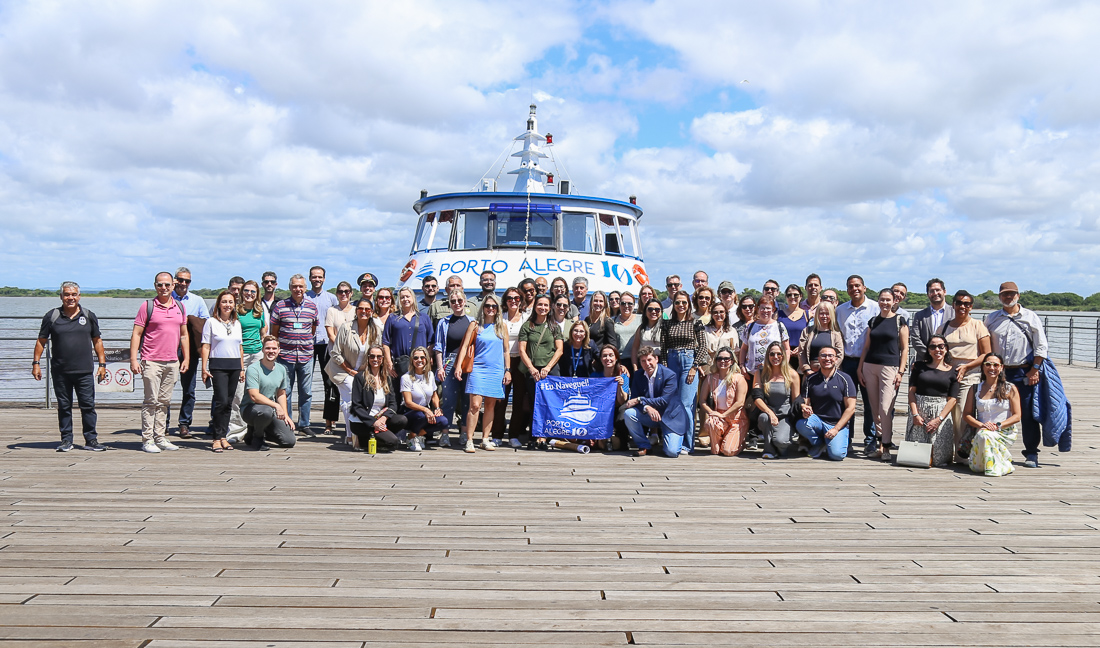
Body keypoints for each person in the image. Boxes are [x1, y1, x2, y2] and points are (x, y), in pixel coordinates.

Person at [32, 281, 108, 452]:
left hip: (84, 371)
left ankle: (91, 440)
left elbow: (97, 341)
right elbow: (41, 341)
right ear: (61, 297)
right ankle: (66, 440)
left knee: (88, 406)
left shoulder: (88, 315)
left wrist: (102, 364)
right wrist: (36, 363)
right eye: (67, 294)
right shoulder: (52, 316)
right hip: (60, 371)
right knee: (64, 406)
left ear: (79, 296)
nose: (70, 298)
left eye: (74, 294)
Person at [984, 281, 1049, 468]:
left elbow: (1041, 345)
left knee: (1027, 413)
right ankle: (996, 448)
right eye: (1005, 294)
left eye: (1012, 294)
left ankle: (1031, 453)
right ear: (999, 297)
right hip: (999, 372)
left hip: (1024, 370)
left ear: (1018, 295)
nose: (1008, 297)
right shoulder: (992, 318)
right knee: (995, 411)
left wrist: (1035, 369)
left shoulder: (1030, 317)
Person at [129, 272, 189, 453]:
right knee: (150, 401)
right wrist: (133, 359)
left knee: (164, 401)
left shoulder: (180, 306)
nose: (164, 288)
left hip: (172, 361)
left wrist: (186, 358)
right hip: (151, 360)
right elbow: (137, 334)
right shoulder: (147, 306)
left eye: (167, 285)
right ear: (155, 286)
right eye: (160, 285)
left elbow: (184, 334)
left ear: (173, 285)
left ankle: (160, 437)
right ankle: (147, 439)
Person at [857, 289, 909, 461]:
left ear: (894, 301)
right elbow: (866, 347)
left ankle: (886, 446)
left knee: (886, 408)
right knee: (874, 409)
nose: (885, 303)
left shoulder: (900, 321)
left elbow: (905, 349)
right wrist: (860, 368)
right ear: (878, 301)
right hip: (870, 366)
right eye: (882, 300)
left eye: (888, 300)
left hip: (890, 368)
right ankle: (880, 445)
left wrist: (901, 372)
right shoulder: (873, 321)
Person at [455, 295, 511, 453]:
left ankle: (485, 438)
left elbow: (506, 351)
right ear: (483, 307)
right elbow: (465, 347)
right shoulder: (475, 325)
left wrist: (507, 370)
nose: (491, 309)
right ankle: (470, 439)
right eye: (488, 306)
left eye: (494, 306)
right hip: (478, 369)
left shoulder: (502, 326)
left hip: (496, 369)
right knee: (474, 406)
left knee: (490, 405)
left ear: (498, 309)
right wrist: (458, 366)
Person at [941, 290, 991, 460]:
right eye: (959, 303)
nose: (963, 306)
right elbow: (937, 348)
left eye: (967, 304)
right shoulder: (945, 327)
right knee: (947, 415)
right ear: (953, 304)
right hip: (947, 376)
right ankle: (946, 452)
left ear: (971, 307)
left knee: (963, 414)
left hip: (970, 375)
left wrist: (967, 367)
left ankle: (963, 456)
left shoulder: (978, 326)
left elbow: (986, 354)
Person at [269, 274, 320, 434]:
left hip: (306, 356)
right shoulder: (280, 306)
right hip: (285, 356)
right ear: (290, 288)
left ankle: (304, 424)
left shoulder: (312, 307)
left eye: (301, 286)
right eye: (295, 286)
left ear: (305, 288)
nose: (298, 289)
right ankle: (288, 423)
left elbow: (313, 328)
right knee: (285, 391)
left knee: (306, 392)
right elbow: (274, 332)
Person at [325, 299, 381, 444]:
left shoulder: (375, 329)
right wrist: (350, 370)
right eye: (361, 309)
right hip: (342, 369)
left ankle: (362, 431)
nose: (364, 311)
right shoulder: (346, 327)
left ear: (372, 312)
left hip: (362, 372)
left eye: (367, 309)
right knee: (351, 397)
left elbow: (377, 352)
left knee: (362, 399)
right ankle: (351, 435)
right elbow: (335, 353)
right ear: (356, 311)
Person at [660, 291, 708, 453]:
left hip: (689, 362)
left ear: (689, 304)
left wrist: (694, 367)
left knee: (687, 405)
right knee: (672, 403)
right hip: (672, 361)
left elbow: (702, 347)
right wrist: (665, 370)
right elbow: (664, 348)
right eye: (678, 302)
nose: (681, 305)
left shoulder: (696, 323)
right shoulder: (667, 324)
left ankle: (688, 444)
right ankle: (674, 439)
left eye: (684, 302)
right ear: (673, 305)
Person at [622, 346, 690, 457]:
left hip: (670, 416)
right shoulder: (638, 375)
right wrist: (647, 407)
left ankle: (672, 439)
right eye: (643, 361)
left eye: (649, 360)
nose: (647, 364)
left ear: (656, 359)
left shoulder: (669, 375)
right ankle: (644, 446)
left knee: (672, 452)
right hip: (650, 416)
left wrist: (641, 400)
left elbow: (664, 400)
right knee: (629, 414)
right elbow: (633, 400)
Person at [516, 294, 565, 448]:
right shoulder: (527, 326)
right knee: (534, 404)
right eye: (540, 304)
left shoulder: (554, 326)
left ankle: (547, 437)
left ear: (550, 307)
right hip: (533, 371)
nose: (542, 308)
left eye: (546, 305)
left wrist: (548, 367)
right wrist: (531, 368)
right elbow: (522, 350)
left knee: (550, 404)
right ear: (535, 306)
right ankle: (535, 436)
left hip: (551, 372)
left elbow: (559, 350)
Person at [836, 274, 877, 453]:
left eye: (858, 286)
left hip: (868, 362)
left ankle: (870, 440)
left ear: (864, 287)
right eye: (851, 287)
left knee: (869, 402)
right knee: (847, 403)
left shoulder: (875, 308)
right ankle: (847, 438)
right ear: (847, 290)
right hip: (847, 363)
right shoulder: (840, 310)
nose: (855, 289)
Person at [963, 352, 1022, 476]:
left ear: (1001, 368)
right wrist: (981, 425)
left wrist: (998, 425)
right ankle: (998, 463)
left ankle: (993, 468)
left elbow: (1017, 416)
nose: (992, 368)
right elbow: (967, 414)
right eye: (988, 364)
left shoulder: (1010, 388)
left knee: (986, 436)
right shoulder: (974, 388)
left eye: (995, 365)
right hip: (982, 430)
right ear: (983, 367)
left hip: (1004, 430)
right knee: (984, 437)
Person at [905, 334, 959, 467]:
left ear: (946, 348)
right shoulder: (918, 367)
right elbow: (911, 392)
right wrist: (915, 414)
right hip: (920, 410)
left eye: (941, 346)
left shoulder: (953, 371)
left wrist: (939, 419)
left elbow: (952, 399)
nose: (937, 350)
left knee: (938, 459)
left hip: (940, 412)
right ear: (928, 350)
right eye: (933, 347)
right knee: (916, 456)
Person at [795, 347, 856, 461]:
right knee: (801, 424)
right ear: (818, 359)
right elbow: (806, 403)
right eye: (823, 355)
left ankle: (831, 442)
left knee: (837, 455)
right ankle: (820, 443)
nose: (827, 358)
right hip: (818, 420)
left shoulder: (845, 379)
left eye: (830, 356)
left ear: (836, 359)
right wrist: (805, 411)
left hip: (837, 423)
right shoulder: (810, 379)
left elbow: (850, 408)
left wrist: (836, 429)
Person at [169, 266, 209, 440]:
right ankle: (162, 423)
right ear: (174, 281)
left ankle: (184, 424)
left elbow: (206, 324)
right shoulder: (166, 298)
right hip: (168, 349)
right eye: (180, 280)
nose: (183, 283)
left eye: (187, 281)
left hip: (190, 351)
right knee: (165, 389)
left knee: (189, 389)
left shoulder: (197, 300)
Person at [200, 290, 243, 452]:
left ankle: (224, 436)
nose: (227, 305)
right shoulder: (211, 322)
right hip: (218, 365)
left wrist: (242, 368)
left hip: (234, 366)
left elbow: (240, 347)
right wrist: (204, 368)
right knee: (221, 401)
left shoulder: (236, 324)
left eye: (230, 302)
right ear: (218, 304)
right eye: (224, 302)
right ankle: (216, 438)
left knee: (229, 403)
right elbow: (206, 346)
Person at [226, 280, 268, 441]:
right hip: (239, 355)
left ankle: (254, 429)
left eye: (253, 291)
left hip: (257, 355)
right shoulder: (236, 310)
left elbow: (263, 334)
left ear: (257, 294)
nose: (249, 294)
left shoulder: (259, 310)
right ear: (242, 292)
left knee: (256, 393)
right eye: (246, 291)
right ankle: (236, 431)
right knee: (237, 394)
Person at [348, 344, 410, 452]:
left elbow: (393, 403)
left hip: (380, 417)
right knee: (393, 443)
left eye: (379, 357)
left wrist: (383, 418)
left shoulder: (387, 378)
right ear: (368, 358)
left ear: (383, 359)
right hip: (363, 421)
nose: (375, 359)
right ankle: (364, 438)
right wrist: (373, 422)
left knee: (402, 420)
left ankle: (372, 437)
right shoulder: (360, 377)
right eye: (372, 356)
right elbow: (356, 406)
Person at [241, 336, 297, 451]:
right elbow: (254, 396)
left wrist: (286, 415)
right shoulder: (253, 369)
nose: (271, 351)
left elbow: (281, 393)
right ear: (262, 350)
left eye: (274, 348)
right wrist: (276, 406)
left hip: (270, 410)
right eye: (267, 348)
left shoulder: (281, 369)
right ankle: (257, 437)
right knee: (265, 411)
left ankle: (257, 431)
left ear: (278, 350)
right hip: (251, 409)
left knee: (289, 441)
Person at [434, 289, 473, 447]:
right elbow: (438, 347)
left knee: (466, 400)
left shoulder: (472, 322)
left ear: (465, 301)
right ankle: (445, 433)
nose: (457, 303)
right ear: (449, 304)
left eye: (459, 300)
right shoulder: (444, 322)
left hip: (468, 363)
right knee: (448, 399)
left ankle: (464, 433)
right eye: (453, 301)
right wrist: (439, 368)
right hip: (449, 362)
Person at [313, 273, 350, 434]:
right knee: (331, 388)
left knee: (351, 388)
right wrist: (340, 348)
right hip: (333, 352)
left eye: (346, 291)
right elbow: (330, 332)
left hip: (352, 354)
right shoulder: (331, 310)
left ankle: (352, 422)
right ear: (337, 294)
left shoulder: (356, 310)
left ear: (351, 293)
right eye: (340, 291)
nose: (343, 294)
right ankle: (329, 423)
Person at [382, 287, 434, 394]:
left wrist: (428, 358)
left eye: (407, 296)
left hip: (420, 363)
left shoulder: (424, 318)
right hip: (400, 364)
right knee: (400, 394)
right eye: (402, 297)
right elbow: (385, 342)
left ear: (413, 298)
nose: (405, 299)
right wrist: (388, 362)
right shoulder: (392, 318)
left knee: (420, 393)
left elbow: (431, 341)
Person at [700, 346, 749, 456]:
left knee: (728, 451)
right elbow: (702, 401)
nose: (723, 361)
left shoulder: (739, 378)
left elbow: (740, 403)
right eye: (719, 358)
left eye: (726, 359)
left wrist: (724, 415)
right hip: (718, 416)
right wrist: (712, 413)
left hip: (736, 419)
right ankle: (722, 441)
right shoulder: (710, 378)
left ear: (732, 361)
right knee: (715, 451)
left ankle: (740, 443)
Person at [753, 342, 799, 459]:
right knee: (764, 418)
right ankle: (768, 449)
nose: (775, 357)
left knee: (781, 442)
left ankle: (778, 444)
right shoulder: (760, 373)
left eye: (779, 354)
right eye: (772, 354)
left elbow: (796, 400)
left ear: (784, 355)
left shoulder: (792, 374)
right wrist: (770, 413)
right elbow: (757, 398)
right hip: (768, 413)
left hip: (785, 416)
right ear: (767, 356)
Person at [493, 287, 527, 446]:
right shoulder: (500, 318)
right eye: (510, 298)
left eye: (517, 298)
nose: (513, 301)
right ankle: (497, 435)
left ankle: (513, 435)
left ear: (521, 300)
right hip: (502, 362)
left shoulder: (527, 318)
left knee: (518, 400)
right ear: (505, 301)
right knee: (500, 400)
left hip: (521, 361)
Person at [400, 346, 449, 451]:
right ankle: (412, 437)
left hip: (424, 411)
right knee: (421, 416)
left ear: (427, 359)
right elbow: (408, 402)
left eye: (422, 357)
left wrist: (436, 408)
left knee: (443, 421)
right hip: (410, 412)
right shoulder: (406, 378)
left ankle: (415, 435)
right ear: (412, 360)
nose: (419, 360)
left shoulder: (430, 375)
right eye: (416, 358)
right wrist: (426, 410)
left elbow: (434, 394)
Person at [738, 295, 791, 383]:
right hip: (751, 373)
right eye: (762, 308)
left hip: (773, 374)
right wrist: (742, 366)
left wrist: (783, 367)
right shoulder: (750, 326)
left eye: (768, 308)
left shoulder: (779, 326)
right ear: (758, 309)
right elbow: (744, 348)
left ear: (773, 310)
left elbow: (786, 349)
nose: (765, 311)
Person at [597, 344, 631, 451]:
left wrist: (620, 386)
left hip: (617, 407)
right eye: (605, 356)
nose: (608, 359)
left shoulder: (623, 374)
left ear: (616, 358)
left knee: (623, 413)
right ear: (601, 359)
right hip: (601, 409)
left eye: (611, 355)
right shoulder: (595, 375)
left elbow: (622, 400)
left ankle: (622, 441)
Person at [909, 278, 953, 362]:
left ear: (944, 291)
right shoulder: (919, 316)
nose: (935, 293)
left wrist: (945, 354)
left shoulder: (954, 314)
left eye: (938, 290)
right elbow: (915, 338)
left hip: (948, 362)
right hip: (925, 361)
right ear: (928, 294)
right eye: (932, 291)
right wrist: (930, 354)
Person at [798, 302, 845, 375]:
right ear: (817, 314)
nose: (824, 316)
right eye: (822, 313)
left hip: (830, 373)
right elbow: (801, 353)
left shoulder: (836, 334)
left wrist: (829, 370)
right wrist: (807, 370)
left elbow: (839, 355)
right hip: (810, 373)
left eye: (827, 313)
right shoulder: (807, 331)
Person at [779, 285, 809, 369]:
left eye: (795, 295)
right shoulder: (778, 315)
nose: (792, 297)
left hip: (802, 355)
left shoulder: (807, 314)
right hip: (783, 356)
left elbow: (811, 336)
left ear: (801, 296)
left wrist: (800, 348)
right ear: (785, 297)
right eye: (789, 295)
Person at [632, 299, 664, 370]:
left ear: (661, 312)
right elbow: (635, 348)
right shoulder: (641, 328)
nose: (653, 312)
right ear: (645, 312)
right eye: (650, 309)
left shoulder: (665, 327)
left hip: (661, 363)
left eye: (657, 310)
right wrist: (635, 367)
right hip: (644, 362)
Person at [613, 292, 641, 373]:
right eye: (623, 303)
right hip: (620, 362)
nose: (626, 306)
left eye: (630, 304)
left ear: (634, 305)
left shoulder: (641, 319)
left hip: (638, 361)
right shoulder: (612, 321)